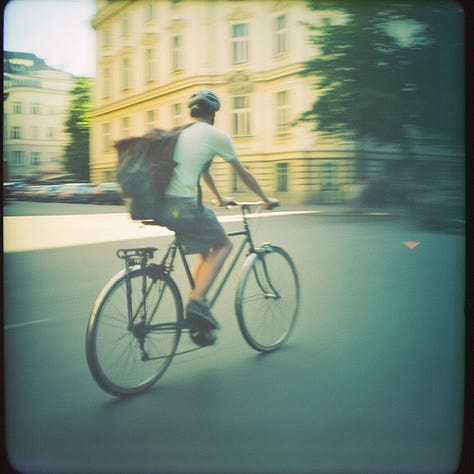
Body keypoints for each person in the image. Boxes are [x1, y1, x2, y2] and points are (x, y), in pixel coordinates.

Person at [157, 89, 278, 334]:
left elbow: (203, 170)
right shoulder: (216, 136)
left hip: (161, 205)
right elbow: (243, 174)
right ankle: (196, 303)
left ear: (191, 112)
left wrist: (219, 197)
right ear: (213, 115)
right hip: (184, 206)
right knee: (223, 245)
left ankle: (197, 320)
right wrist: (265, 199)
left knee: (204, 254)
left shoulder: (180, 133)